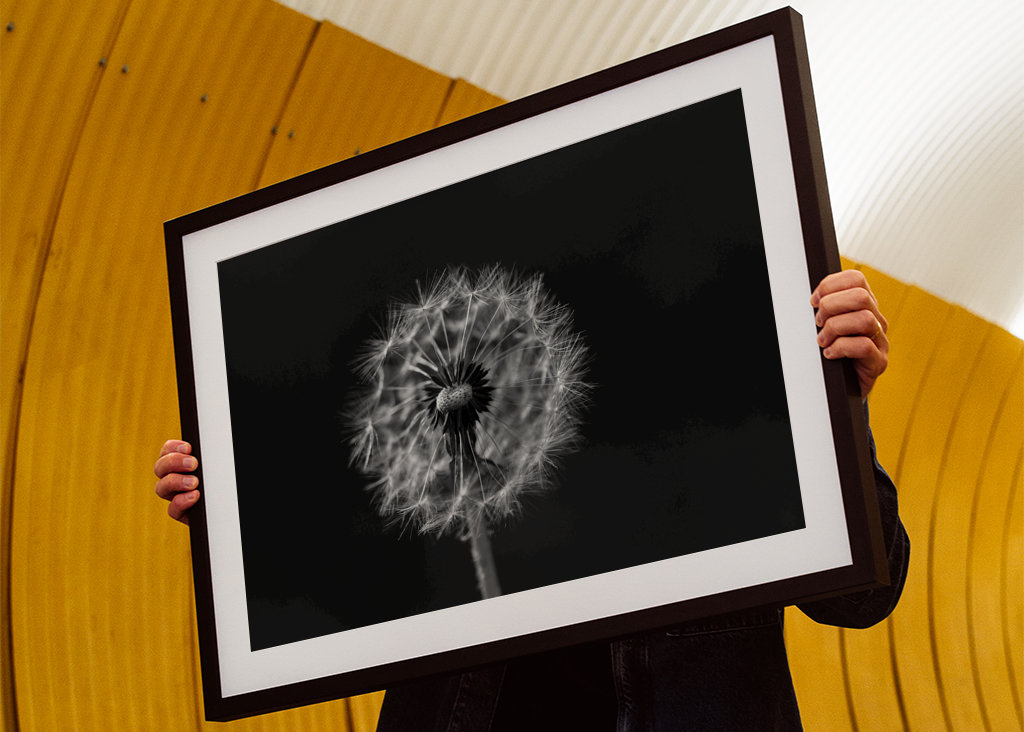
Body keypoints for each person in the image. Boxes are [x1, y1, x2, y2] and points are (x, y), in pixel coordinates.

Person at [155, 269, 909, 730]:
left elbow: (865, 594)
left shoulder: (737, 417)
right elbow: (340, 577)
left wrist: (837, 404)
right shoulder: (445, 468)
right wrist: (241, 507)